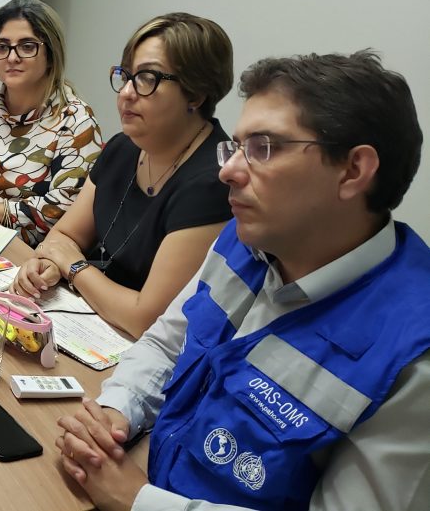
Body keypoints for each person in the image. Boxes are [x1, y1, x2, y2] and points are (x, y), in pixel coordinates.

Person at [54, 51, 429, 511]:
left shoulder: (414, 357)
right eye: (235, 147)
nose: (227, 171)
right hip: (146, 470)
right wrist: (118, 411)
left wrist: (138, 501)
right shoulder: (247, 237)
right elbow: (168, 343)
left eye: (263, 148)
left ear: (353, 171)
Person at [13, 12, 234, 337]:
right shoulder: (123, 147)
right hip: (88, 322)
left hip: (143, 350)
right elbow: (63, 237)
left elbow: (145, 317)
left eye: (147, 78)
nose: (127, 92)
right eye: (126, 75)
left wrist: (72, 268)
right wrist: (45, 268)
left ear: (196, 95)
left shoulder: (215, 181)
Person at [0, 0, 103, 248]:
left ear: (51, 54)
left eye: (27, 46)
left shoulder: (76, 121)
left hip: (24, 249)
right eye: (2, 47)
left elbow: (62, 210)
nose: (12, 57)